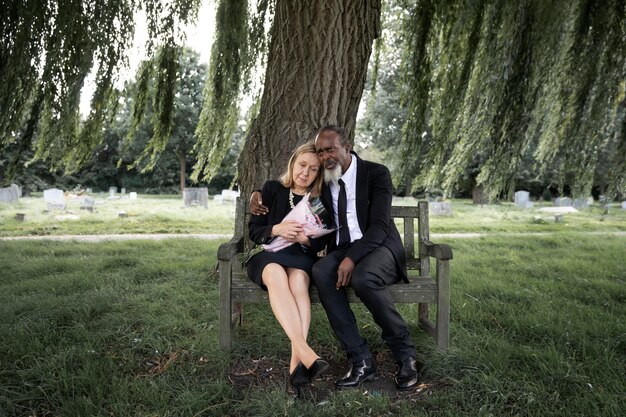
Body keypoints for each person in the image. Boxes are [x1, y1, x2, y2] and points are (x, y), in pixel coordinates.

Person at [250, 125, 419, 390]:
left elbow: (379, 227)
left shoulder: (375, 174)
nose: (325, 156)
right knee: (321, 272)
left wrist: (351, 260)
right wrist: (255, 194)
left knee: (364, 278)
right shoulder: (326, 180)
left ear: (346, 146)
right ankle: (361, 360)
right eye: (321, 151)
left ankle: (405, 355)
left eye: (330, 149)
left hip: (380, 245)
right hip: (344, 247)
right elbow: (290, 193)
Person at [246, 141, 329, 396]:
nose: (305, 173)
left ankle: (298, 367)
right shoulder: (272, 190)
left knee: (299, 283)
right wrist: (276, 229)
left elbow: (323, 239)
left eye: (313, 169)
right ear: (293, 163)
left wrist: (305, 239)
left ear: (318, 174)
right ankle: (305, 354)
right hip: (268, 255)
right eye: (302, 165)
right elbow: (254, 231)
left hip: (299, 256)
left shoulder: (316, 200)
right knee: (275, 273)